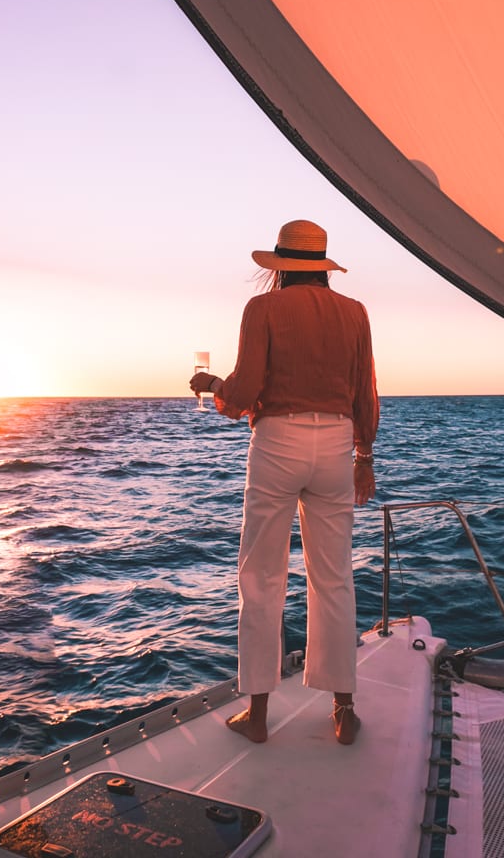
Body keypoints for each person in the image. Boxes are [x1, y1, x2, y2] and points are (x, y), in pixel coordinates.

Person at [189, 219, 378, 746]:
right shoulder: (355, 312)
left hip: (277, 443)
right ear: (320, 267)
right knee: (335, 577)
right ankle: (342, 710)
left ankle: (256, 716)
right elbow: (365, 387)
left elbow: (245, 391)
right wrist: (365, 454)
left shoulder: (263, 310)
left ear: (280, 268)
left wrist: (211, 387)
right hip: (339, 444)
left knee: (261, 578)